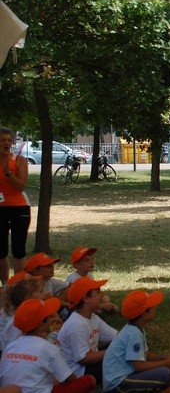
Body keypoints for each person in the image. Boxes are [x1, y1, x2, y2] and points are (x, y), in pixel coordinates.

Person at [0, 297, 97, 393]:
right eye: (50, 317)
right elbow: (70, 378)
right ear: (41, 325)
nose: (54, 318)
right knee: (88, 380)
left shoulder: (10, 347)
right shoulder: (48, 348)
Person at [103, 290, 170, 393]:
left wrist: (163, 357)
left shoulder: (135, 328)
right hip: (118, 385)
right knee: (164, 372)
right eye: (152, 307)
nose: (155, 308)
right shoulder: (134, 333)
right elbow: (139, 366)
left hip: (125, 377)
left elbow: (144, 354)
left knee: (163, 371)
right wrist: (165, 363)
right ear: (145, 315)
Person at [58, 277, 117, 385]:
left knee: (121, 347)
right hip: (79, 373)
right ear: (86, 298)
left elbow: (116, 337)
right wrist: (113, 350)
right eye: (98, 292)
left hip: (88, 364)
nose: (102, 295)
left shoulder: (92, 317)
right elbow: (84, 359)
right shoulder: (76, 324)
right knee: (120, 358)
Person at [0, 126, 30, 286]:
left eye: (9, 140)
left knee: (18, 249)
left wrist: (8, 173)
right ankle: (5, 284)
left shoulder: (19, 160)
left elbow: (21, 186)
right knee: (1, 250)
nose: (6, 143)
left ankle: (19, 285)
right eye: (3, 140)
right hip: (0, 209)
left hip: (19, 208)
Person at [0, 273, 46, 351]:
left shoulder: (28, 316)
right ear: (27, 299)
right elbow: (12, 348)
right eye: (41, 292)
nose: (44, 294)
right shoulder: (17, 322)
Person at [66, 246, 117, 313]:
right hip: (76, 306)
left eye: (92, 259)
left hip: (88, 298)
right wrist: (100, 305)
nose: (92, 262)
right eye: (87, 260)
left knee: (105, 298)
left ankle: (101, 307)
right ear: (77, 265)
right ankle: (99, 308)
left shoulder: (89, 275)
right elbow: (77, 301)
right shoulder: (73, 279)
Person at [25, 253, 70, 319]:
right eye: (48, 265)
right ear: (36, 271)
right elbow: (47, 302)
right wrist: (68, 305)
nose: (52, 267)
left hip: (48, 311)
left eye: (52, 264)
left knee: (68, 289)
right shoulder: (31, 285)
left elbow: (71, 285)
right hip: (35, 316)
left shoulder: (48, 280)